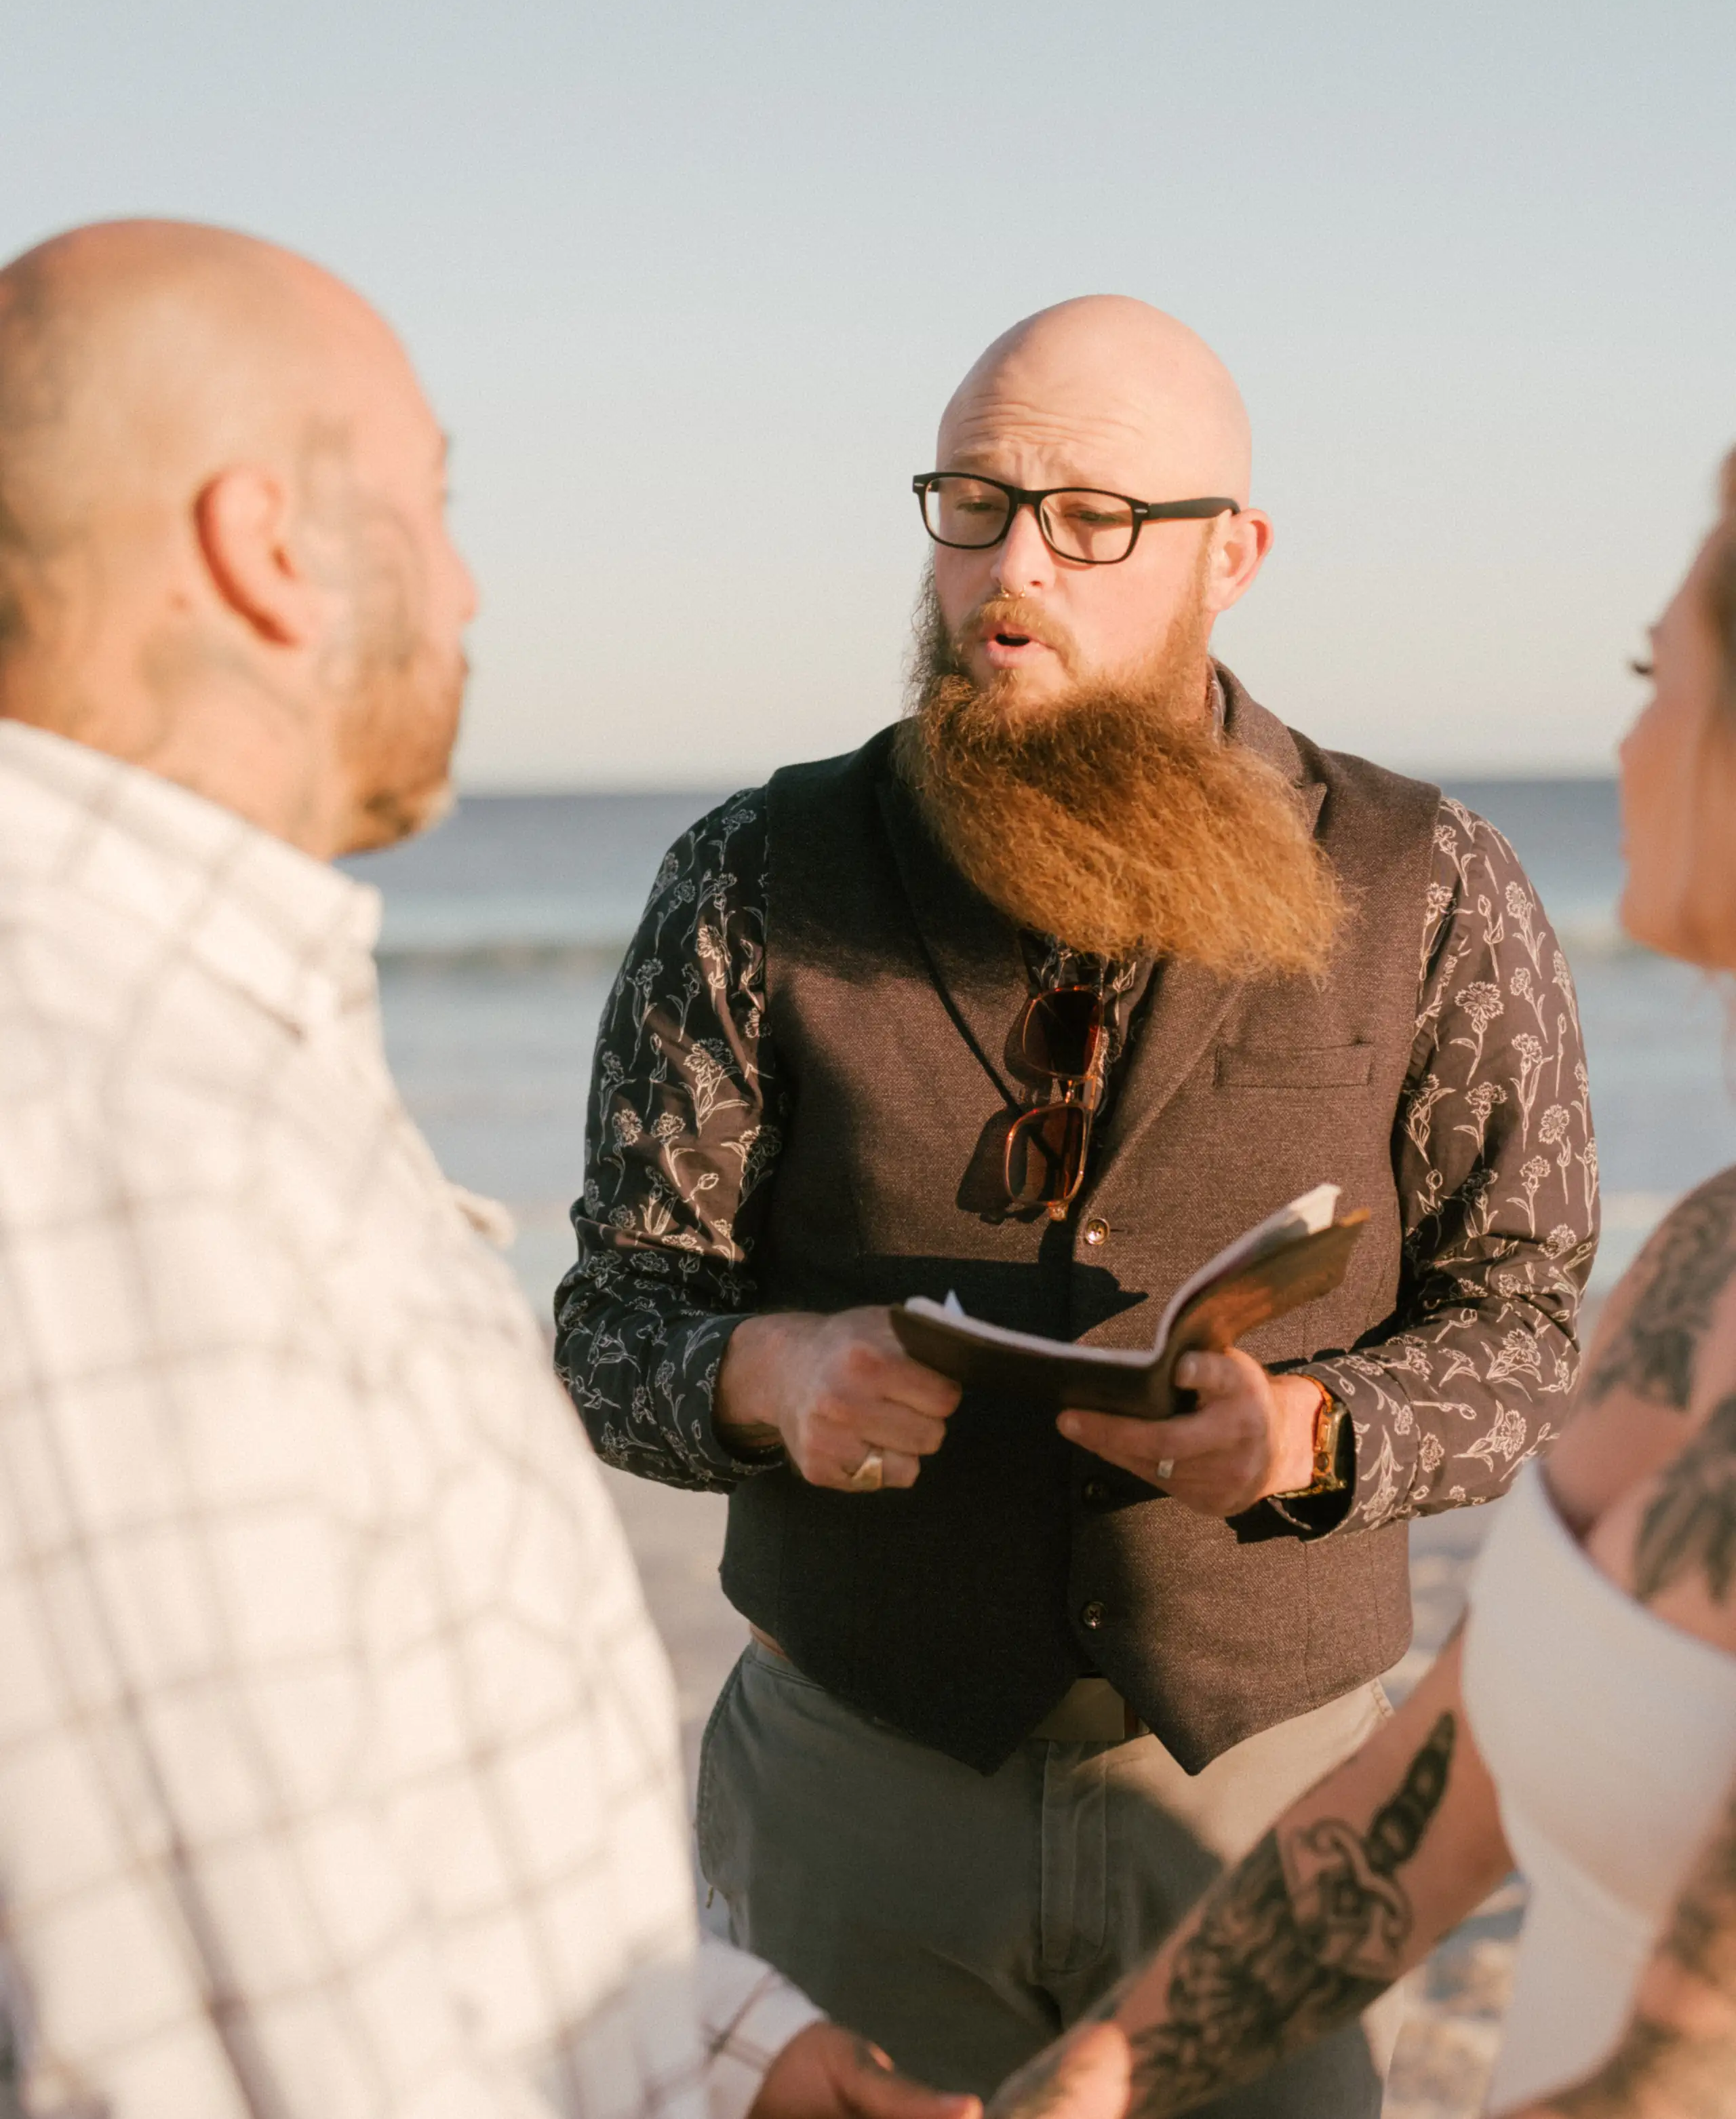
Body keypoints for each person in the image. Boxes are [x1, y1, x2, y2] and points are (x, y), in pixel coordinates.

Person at [557, 295, 1598, 2111]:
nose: (1009, 563)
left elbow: (1522, 1323)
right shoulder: (746, 869)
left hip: (1265, 1792)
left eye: (1089, 515)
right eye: (972, 501)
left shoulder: (1433, 879)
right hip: (850, 1786)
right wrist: (772, 1373)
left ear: (1234, 554)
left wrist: (1317, 1429)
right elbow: (610, 1321)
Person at [0, 217, 985, 2119]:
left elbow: (342, 1832)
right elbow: (237, 2044)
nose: (466, 587)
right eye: (434, 502)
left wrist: (726, 2043)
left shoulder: (195, 1042)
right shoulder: (100, 1140)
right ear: (267, 547)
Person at [987, 446, 1736, 2119]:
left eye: (1652, 683)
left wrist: (1319, 1431)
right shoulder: (1700, 1266)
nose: (1618, 745)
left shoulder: (1432, 870)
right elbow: (1440, 1788)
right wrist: (1098, 2076)